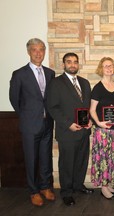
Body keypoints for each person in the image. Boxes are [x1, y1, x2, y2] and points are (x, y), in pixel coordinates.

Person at [9, 38, 55, 206]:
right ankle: (33, 190)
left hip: (47, 124)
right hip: (30, 125)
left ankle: (45, 187)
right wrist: (27, 117)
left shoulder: (50, 73)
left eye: (41, 49)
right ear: (29, 52)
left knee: (45, 157)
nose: (38, 53)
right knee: (31, 159)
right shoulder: (19, 74)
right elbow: (14, 99)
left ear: (44, 52)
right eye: (34, 50)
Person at [46, 52, 94, 206]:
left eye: (75, 62)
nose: (72, 64)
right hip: (67, 131)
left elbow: (87, 107)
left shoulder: (85, 83)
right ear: (63, 64)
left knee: (81, 160)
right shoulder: (56, 83)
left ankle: (78, 185)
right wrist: (68, 124)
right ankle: (66, 192)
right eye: (69, 62)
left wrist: (90, 120)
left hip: (84, 130)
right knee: (67, 164)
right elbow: (52, 107)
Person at [89, 57, 114, 200]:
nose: (109, 68)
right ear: (101, 69)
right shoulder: (98, 88)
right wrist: (98, 123)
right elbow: (92, 110)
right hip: (102, 131)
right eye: (105, 66)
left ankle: (109, 183)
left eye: (110, 65)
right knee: (104, 158)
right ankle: (103, 187)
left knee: (113, 158)